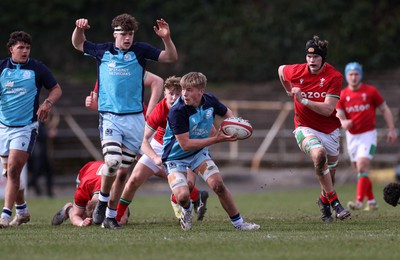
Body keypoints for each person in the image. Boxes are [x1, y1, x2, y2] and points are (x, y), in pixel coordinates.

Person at [72, 13, 178, 229]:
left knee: (122, 173)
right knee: (112, 162)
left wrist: (166, 38)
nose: (127, 38)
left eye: (130, 33)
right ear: (115, 34)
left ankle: (111, 216)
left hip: (135, 121)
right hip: (110, 118)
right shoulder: (103, 51)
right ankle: (102, 201)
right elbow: (78, 44)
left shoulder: (140, 51)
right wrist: (80, 29)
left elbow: (170, 57)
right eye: (123, 34)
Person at [162, 72, 260, 231]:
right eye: (183, 89)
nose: (184, 94)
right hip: (175, 157)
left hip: (198, 153)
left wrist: (233, 124)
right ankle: (186, 211)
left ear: (201, 91)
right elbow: (185, 144)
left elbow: (226, 112)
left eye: (189, 89)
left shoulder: (210, 100)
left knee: (218, 185)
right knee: (182, 196)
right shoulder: (177, 111)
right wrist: (216, 139)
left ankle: (239, 223)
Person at [115, 76, 209, 224]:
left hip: (186, 148)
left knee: (188, 186)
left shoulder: (192, 107)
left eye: (178, 94)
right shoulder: (160, 109)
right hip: (160, 146)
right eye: (170, 93)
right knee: (133, 180)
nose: (174, 97)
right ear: (164, 94)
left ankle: (184, 199)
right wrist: (155, 158)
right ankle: (117, 217)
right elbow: (143, 139)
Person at [277, 35, 351, 223]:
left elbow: (327, 110)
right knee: (319, 155)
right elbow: (280, 70)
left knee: (329, 176)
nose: (311, 61)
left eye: (316, 57)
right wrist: (288, 89)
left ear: (323, 58)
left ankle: (324, 201)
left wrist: (303, 100)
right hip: (304, 127)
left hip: (330, 130)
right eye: (309, 57)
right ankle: (335, 203)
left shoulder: (334, 76)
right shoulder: (296, 71)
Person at [0, 31, 62, 228]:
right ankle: (23, 210)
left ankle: (5, 215)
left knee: (13, 169)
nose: (25, 51)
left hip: (26, 127)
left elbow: (56, 89)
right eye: (21, 47)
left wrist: (47, 103)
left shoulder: (37, 68)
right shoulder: (1, 68)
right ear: (11, 49)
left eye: (27, 47)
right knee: (10, 174)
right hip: (3, 127)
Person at [336, 62, 398, 211]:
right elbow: (338, 113)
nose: (353, 77)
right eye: (350, 74)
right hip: (352, 137)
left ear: (361, 75)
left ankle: (358, 202)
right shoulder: (343, 94)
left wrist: (391, 129)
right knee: (359, 171)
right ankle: (371, 201)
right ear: (346, 76)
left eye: (356, 74)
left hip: (368, 135)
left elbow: (385, 109)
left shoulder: (370, 91)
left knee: (362, 166)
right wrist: (343, 122)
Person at [51, 161, 129, 227]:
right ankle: (69, 209)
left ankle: (103, 212)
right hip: (87, 171)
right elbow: (76, 216)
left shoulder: (116, 187)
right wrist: (81, 223)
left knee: (119, 218)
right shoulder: (83, 189)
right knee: (82, 216)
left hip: (104, 176)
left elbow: (123, 219)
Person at [27, 112, 59, 197]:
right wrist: (50, 134)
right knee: (36, 173)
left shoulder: (42, 124)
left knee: (48, 172)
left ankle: (49, 192)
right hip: (38, 153)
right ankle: (27, 187)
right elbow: (40, 135)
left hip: (43, 152)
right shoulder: (37, 124)